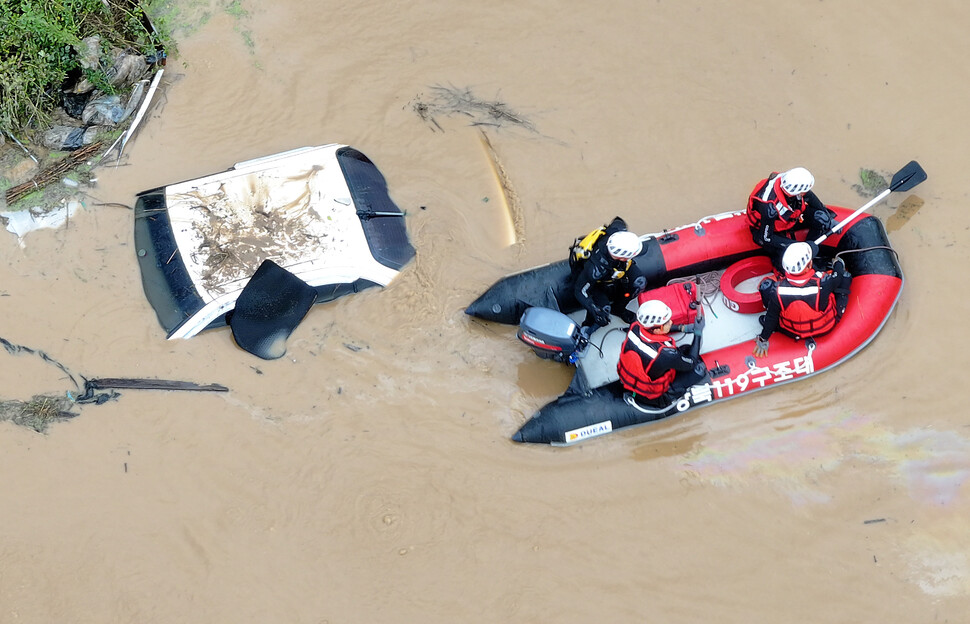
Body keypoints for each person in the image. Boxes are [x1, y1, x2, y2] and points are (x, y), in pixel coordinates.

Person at [753, 242, 852, 357]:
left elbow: (771, 317)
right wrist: (838, 263)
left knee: (766, 286)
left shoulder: (778, 291)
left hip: (792, 332)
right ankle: (842, 311)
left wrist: (763, 338)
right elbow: (838, 276)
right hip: (825, 328)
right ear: (809, 265)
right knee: (845, 277)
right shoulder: (824, 283)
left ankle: (776, 330)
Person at [617, 300, 709, 404]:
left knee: (685, 350)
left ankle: (633, 392)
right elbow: (691, 362)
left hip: (635, 379)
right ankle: (669, 396)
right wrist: (698, 332)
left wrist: (683, 328)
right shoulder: (665, 354)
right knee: (698, 370)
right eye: (667, 322)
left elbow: (656, 329)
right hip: (653, 395)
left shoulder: (635, 327)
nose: (671, 322)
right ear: (657, 329)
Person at [746, 167, 837, 269]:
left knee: (821, 220)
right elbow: (766, 237)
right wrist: (799, 247)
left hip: (788, 220)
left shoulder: (787, 185)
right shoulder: (769, 208)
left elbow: (809, 197)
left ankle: (811, 252)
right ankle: (787, 264)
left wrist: (828, 217)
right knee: (785, 256)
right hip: (767, 231)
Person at [572, 225, 647, 330]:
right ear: (622, 257)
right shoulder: (596, 269)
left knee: (639, 283)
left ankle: (619, 308)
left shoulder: (616, 229)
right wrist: (594, 309)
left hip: (616, 268)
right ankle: (588, 325)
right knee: (603, 308)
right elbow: (579, 291)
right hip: (596, 282)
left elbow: (618, 221)